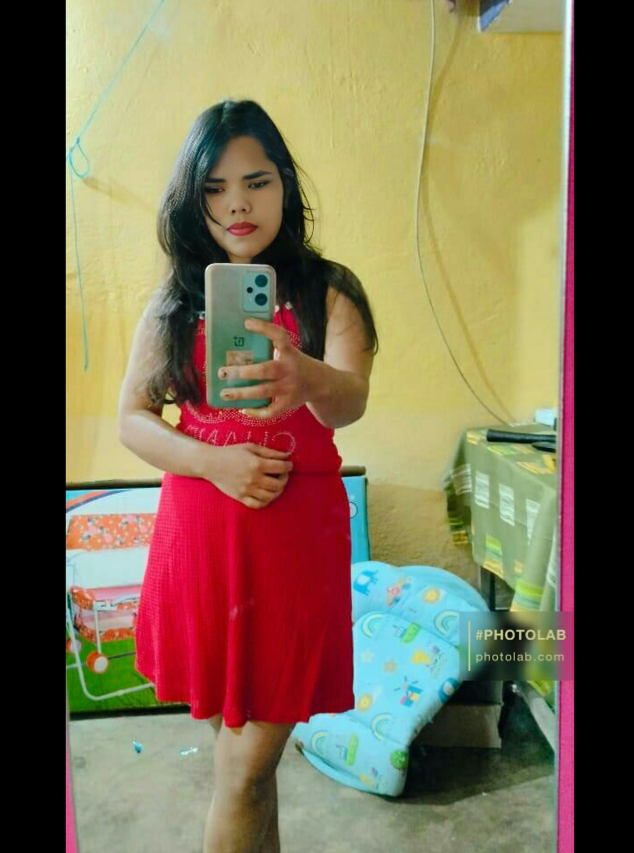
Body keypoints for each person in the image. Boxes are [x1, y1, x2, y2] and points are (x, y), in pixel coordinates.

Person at [118, 99, 378, 853]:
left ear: (285, 186)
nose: (237, 203)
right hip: (199, 547)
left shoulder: (328, 290)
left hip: (294, 555)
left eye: (257, 182)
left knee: (242, 772)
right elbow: (132, 420)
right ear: (191, 201)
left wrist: (307, 377)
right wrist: (215, 462)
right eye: (215, 188)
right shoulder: (174, 302)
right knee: (248, 774)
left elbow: (351, 401)